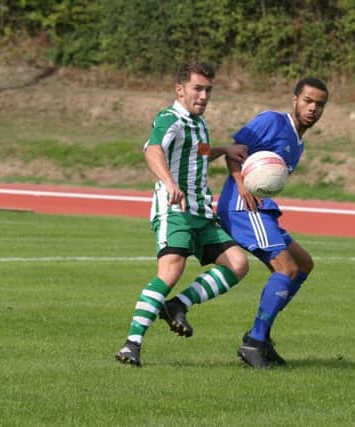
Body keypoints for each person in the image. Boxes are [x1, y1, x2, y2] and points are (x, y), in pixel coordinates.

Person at [115, 62, 249, 367]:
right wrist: (169, 182)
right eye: (197, 88)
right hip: (174, 209)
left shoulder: (198, 124)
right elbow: (152, 149)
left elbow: (197, 151)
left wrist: (223, 149)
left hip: (201, 211)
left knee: (238, 265)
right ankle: (132, 344)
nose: (203, 95)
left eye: (208, 90)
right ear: (180, 89)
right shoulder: (169, 118)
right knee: (171, 270)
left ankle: (177, 305)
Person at [216, 77, 329, 369]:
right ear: (294, 100)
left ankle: (261, 337)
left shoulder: (297, 142)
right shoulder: (271, 121)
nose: (313, 108)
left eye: (319, 104)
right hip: (243, 206)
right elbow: (235, 149)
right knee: (286, 268)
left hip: (263, 209)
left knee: (303, 264)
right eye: (308, 101)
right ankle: (254, 342)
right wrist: (240, 182)